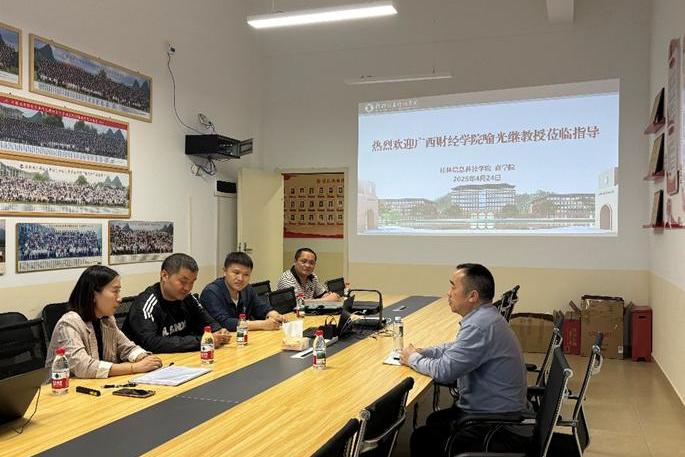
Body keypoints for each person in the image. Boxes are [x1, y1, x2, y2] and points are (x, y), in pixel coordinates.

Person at [400, 263, 528, 456]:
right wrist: (424, 352)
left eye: (453, 287)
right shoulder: (485, 317)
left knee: (422, 438)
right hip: (494, 410)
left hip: (496, 424)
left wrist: (413, 359)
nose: (448, 293)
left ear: (472, 296)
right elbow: (455, 347)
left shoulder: (479, 325)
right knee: (435, 421)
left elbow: (444, 372)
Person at [45, 265, 163, 378]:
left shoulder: (107, 319)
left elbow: (127, 348)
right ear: (93, 295)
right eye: (115, 291)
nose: (119, 298)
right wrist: (134, 367)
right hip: (62, 389)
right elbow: (83, 366)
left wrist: (143, 358)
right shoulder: (69, 324)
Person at [123, 253, 230, 353]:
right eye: (183, 282)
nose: (188, 288)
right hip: (148, 361)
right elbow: (151, 343)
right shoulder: (146, 305)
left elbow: (207, 321)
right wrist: (201, 341)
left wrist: (219, 331)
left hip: (183, 358)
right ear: (164, 275)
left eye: (192, 282)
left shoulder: (188, 298)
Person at [201, 252, 286, 331]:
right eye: (236, 273)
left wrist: (273, 314)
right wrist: (262, 324)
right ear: (224, 271)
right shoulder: (211, 292)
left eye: (246, 274)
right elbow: (225, 323)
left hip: (243, 337)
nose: (241, 278)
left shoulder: (247, 289)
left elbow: (261, 307)